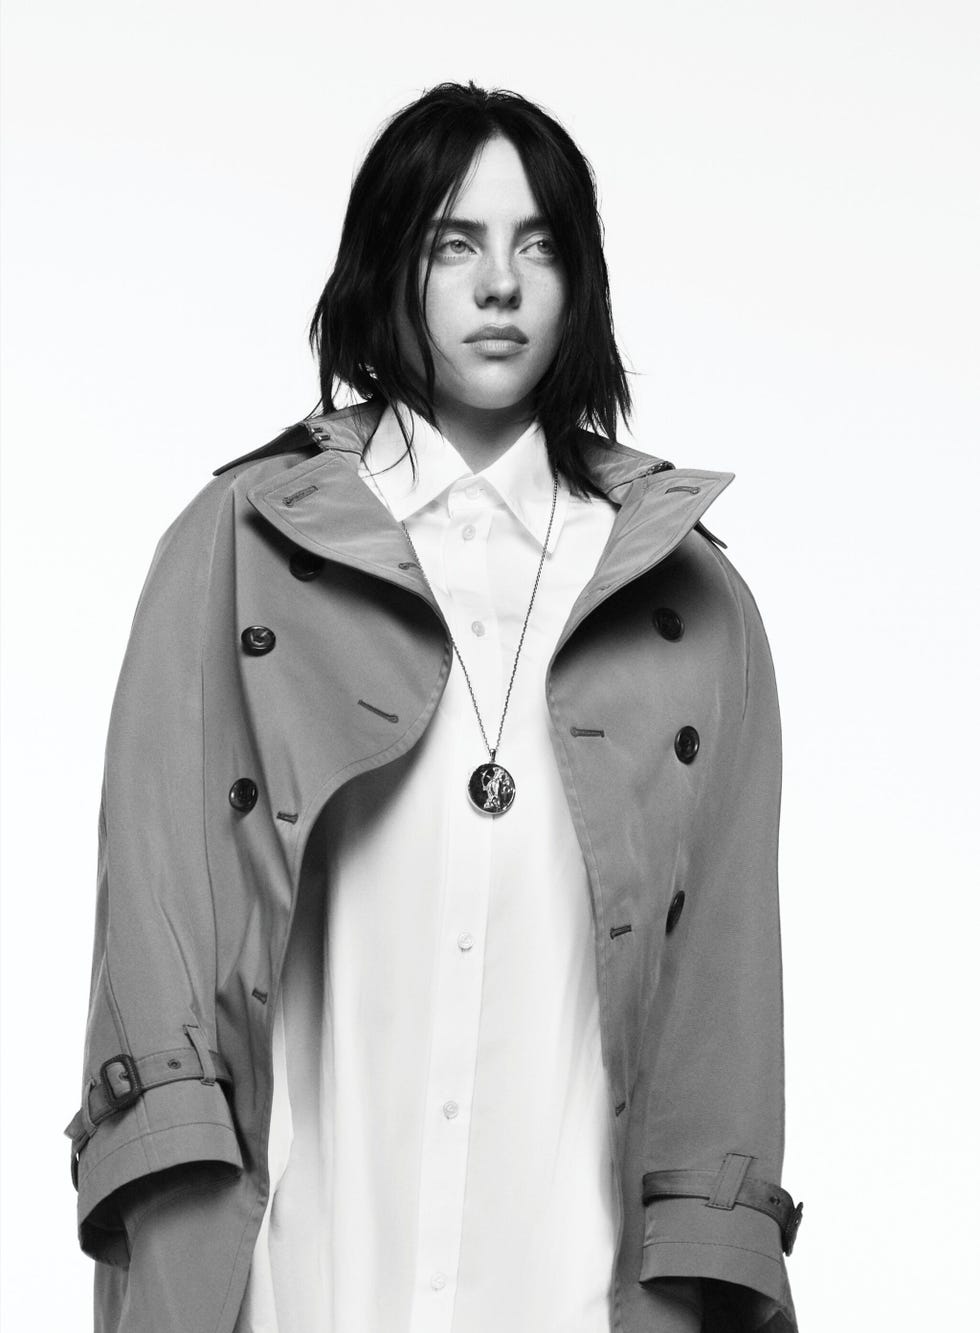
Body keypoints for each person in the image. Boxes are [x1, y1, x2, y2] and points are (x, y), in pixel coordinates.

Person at [64, 82, 802, 1333]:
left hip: (571, 1280)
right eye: (453, 243)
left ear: (579, 282)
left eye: (537, 246)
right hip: (303, 1269)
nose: (498, 286)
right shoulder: (232, 547)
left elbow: (726, 997)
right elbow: (152, 924)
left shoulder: (694, 605)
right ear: (386, 266)